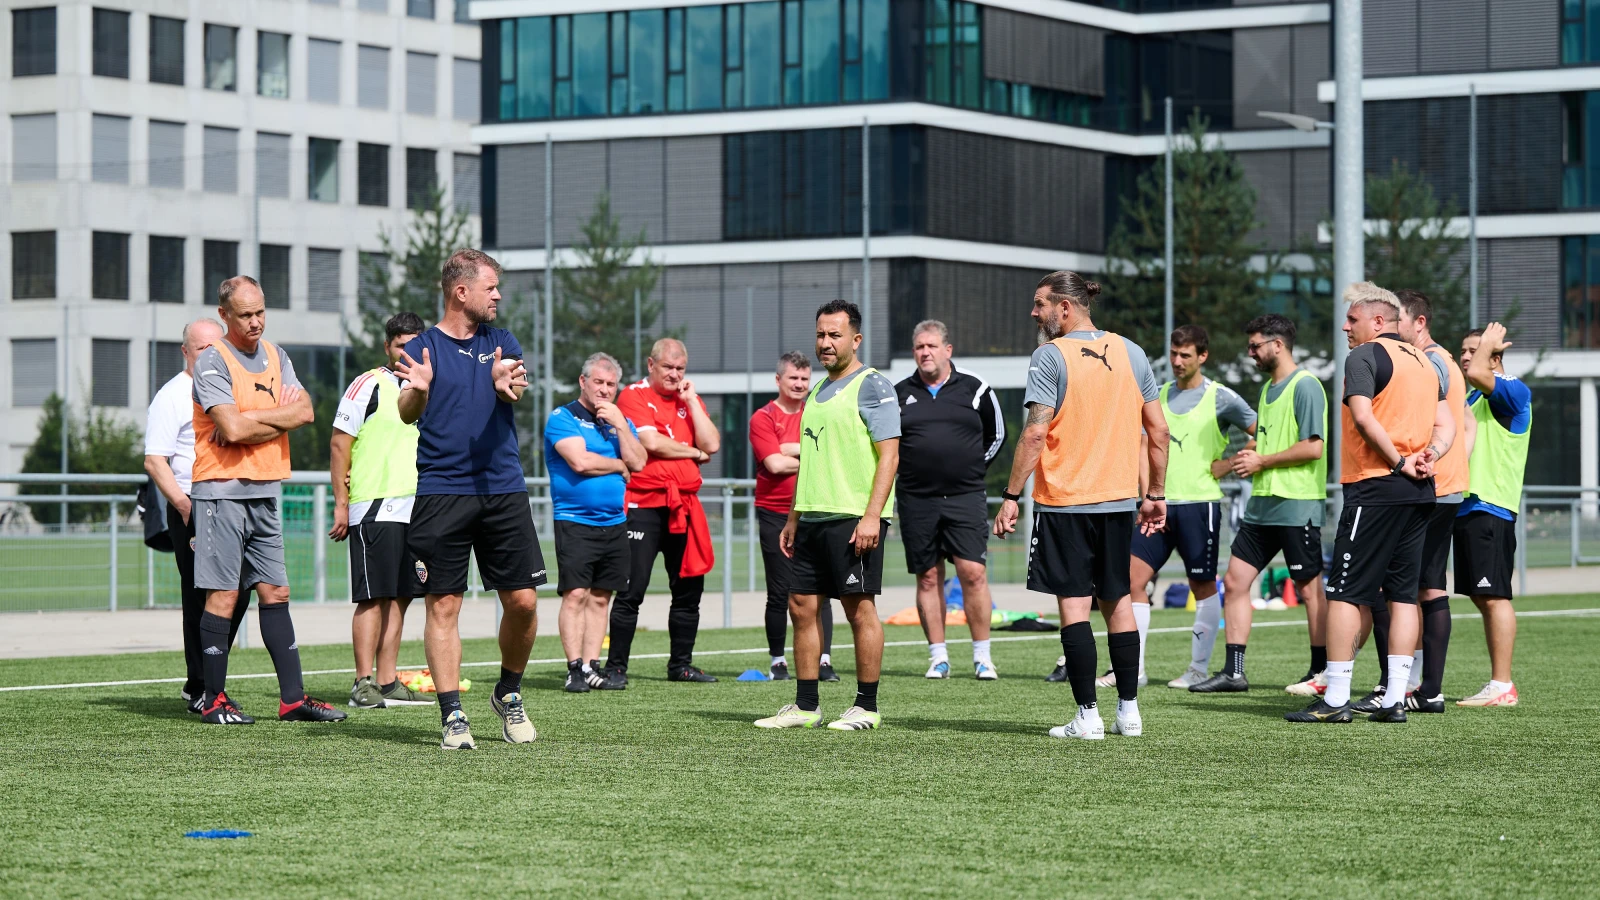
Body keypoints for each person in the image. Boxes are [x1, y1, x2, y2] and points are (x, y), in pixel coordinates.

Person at [994, 271, 1166, 741]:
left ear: (1065, 307)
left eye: (1040, 304)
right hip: (1118, 503)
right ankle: (1129, 713)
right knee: (1119, 604)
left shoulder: (1050, 355)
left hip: (1066, 503)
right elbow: (1159, 430)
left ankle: (1088, 716)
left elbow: (1034, 433)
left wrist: (1010, 496)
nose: (1034, 313)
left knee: (1074, 606)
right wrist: (1155, 494)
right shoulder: (1132, 351)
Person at [395, 249, 542, 750]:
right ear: (461, 292)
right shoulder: (422, 347)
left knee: (523, 602)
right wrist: (419, 389)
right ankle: (452, 715)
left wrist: (504, 385)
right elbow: (407, 411)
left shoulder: (502, 341)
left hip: (503, 488)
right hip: (442, 491)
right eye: (491, 287)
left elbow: (514, 389)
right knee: (444, 605)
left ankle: (508, 691)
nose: (498, 295)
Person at [1287, 283, 1453, 724]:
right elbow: (1447, 424)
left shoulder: (1364, 356)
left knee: (1344, 593)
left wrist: (1399, 461)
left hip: (1376, 488)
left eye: (1352, 319)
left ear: (1379, 321)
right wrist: (1430, 455)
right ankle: (1395, 699)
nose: (1345, 327)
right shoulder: (1426, 361)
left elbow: (1362, 416)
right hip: (1419, 493)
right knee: (1403, 595)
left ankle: (1336, 699)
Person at [191, 276, 345, 725]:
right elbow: (232, 429)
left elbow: (306, 411)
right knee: (223, 595)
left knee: (276, 591)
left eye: (260, 312)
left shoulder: (278, 356)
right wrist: (274, 418)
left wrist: (249, 419)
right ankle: (213, 700)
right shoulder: (212, 361)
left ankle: (292, 700)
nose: (255, 321)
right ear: (224, 315)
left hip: (266, 488)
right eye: (245, 315)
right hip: (221, 491)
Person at [756, 300, 900, 731]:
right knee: (801, 607)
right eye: (820, 334)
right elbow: (812, 462)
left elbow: (890, 456)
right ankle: (806, 707)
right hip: (812, 518)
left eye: (835, 335)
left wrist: (872, 516)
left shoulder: (874, 386)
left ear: (856, 339)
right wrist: (793, 517)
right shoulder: (816, 391)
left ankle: (866, 706)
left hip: (853, 517)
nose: (825, 342)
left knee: (858, 609)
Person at [1189, 315, 1329, 695]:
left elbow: (1313, 447)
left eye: (1255, 346)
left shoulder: (1306, 385)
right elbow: (1267, 443)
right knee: (1235, 582)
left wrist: (1262, 461)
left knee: (1309, 590)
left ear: (1277, 345)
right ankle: (1234, 672)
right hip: (1263, 506)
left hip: (1296, 504)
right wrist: (1242, 458)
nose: (1250, 353)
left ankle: (1321, 672)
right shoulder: (1268, 389)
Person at [1122, 325, 1255, 690]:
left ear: (1202, 356)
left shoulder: (1222, 397)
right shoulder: (1157, 394)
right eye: (1174, 353)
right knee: (1131, 580)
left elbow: (1264, 433)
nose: (1177, 361)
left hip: (1200, 505)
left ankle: (1197, 669)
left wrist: (1229, 464)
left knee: (1202, 584)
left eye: (1185, 355)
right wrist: (1147, 494)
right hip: (1158, 506)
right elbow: (1142, 446)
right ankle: (1133, 670)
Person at [143, 316, 248, 714]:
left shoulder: (229, 389)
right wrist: (185, 506)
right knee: (200, 595)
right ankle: (202, 685)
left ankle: (205, 678)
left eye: (217, 346)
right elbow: (155, 461)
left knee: (238, 591)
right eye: (203, 347)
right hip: (193, 503)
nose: (211, 353)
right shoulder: (172, 395)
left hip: (231, 502)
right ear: (186, 351)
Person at [329, 311, 433, 710]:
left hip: (418, 508)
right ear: (387, 346)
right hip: (376, 504)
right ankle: (363, 682)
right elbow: (340, 443)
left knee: (402, 596)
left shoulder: (429, 386)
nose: (407, 353)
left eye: (414, 346)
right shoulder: (368, 384)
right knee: (373, 597)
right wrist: (341, 503)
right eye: (400, 346)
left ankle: (388, 681)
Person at [894, 320, 1006, 680]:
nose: (925, 352)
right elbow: (886, 445)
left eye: (931, 346)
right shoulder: (898, 393)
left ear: (948, 350)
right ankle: (938, 657)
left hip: (965, 496)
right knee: (928, 577)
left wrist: (971, 471)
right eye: (919, 347)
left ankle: (983, 657)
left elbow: (997, 435)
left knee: (972, 573)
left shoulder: (976, 388)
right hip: (916, 500)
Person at [606, 338, 721, 684]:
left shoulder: (688, 399)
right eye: (668, 367)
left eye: (680, 368)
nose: (674, 374)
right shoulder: (633, 395)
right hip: (643, 504)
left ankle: (680, 665)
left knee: (689, 588)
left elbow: (712, 443)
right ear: (651, 365)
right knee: (632, 589)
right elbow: (651, 443)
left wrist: (692, 402)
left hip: (683, 506)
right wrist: (694, 452)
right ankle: (616, 668)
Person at [1386, 289, 1469, 714]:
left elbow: (1420, 422)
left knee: (1396, 587)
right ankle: (1425, 689)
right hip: (1444, 485)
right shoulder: (1445, 360)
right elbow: (1465, 423)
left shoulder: (1428, 362)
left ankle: (1395, 685)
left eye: (1397, 319)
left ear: (1419, 323)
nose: (1390, 327)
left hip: (1428, 488)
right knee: (1427, 585)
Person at [546, 352, 645, 693]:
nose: (604, 389)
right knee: (576, 594)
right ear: (583, 382)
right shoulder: (563, 417)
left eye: (611, 384)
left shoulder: (620, 422)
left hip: (615, 522)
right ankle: (573, 668)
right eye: (598, 382)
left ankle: (591, 667)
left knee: (602, 597)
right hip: (574, 520)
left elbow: (639, 461)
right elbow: (580, 462)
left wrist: (621, 425)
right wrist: (617, 465)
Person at [1452, 323, 1530, 708]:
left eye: (1475, 349)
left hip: (1492, 507)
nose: (1466, 357)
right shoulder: (1473, 396)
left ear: (1495, 355)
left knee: (1494, 596)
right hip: (1467, 506)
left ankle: (1503, 685)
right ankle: (1498, 684)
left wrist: (1486, 349)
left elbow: (1480, 374)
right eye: (1464, 351)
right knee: (1482, 596)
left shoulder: (1514, 389)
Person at [750, 351, 838, 681]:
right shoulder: (762, 417)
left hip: (816, 510)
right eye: (793, 378)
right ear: (778, 380)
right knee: (780, 590)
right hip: (775, 513)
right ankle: (778, 661)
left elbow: (832, 454)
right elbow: (774, 464)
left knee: (821, 591)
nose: (800, 384)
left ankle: (824, 660)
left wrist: (790, 449)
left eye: (804, 378)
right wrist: (810, 455)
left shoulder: (817, 412)